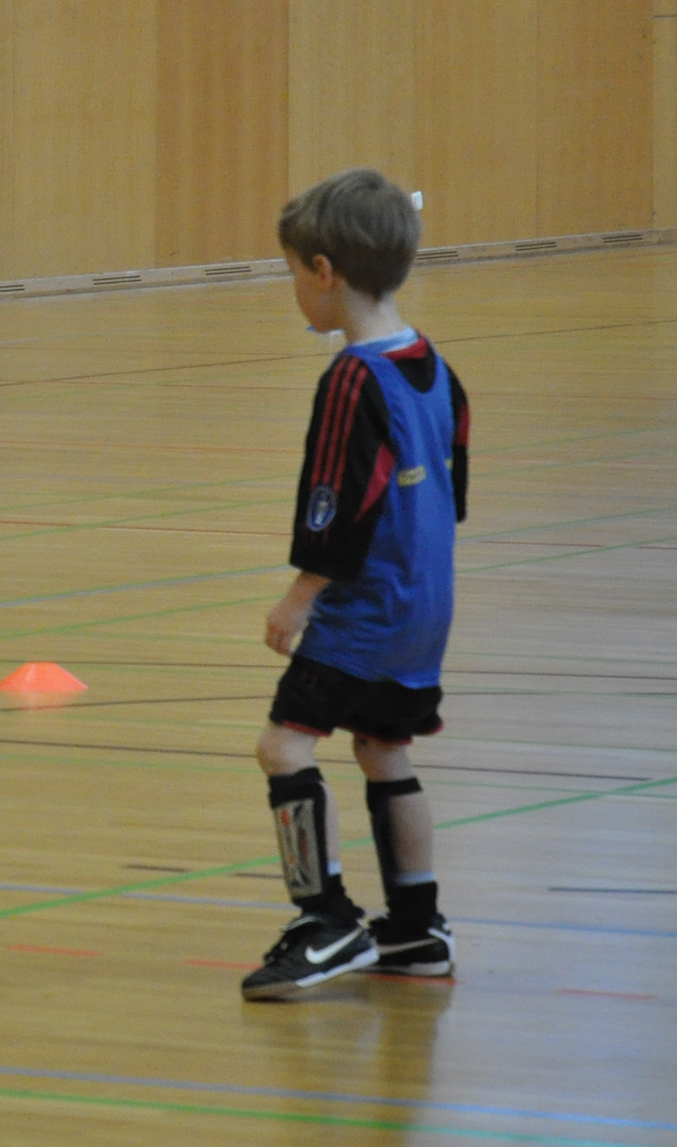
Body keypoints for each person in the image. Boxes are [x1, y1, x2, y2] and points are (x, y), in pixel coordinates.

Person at [242, 168, 467, 1001]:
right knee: (383, 749)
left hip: (365, 607)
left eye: (293, 273)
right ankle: (417, 928)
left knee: (283, 747)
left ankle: (326, 921)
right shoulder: (433, 365)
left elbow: (336, 503)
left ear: (325, 271)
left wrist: (299, 596)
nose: (294, 291)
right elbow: (453, 488)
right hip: (425, 603)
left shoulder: (351, 379)